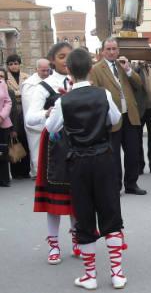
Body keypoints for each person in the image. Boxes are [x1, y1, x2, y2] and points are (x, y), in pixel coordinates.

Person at [46, 48, 127, 290]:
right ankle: (117, 273)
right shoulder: (103, 94)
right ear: (91, 68)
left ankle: (90, 276)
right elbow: (114, 120)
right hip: (103, 158)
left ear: (69, 71)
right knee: (111, 213)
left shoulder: (64, 101)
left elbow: (52, 128)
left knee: (84, 215)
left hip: (78, 162)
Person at [26, 42, 79, 264]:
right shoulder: (44, 86)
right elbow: (30, 118)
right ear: (52, 59)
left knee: (78, 196)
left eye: (69, 56)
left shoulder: (82, 83)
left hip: (79, 141)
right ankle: (54, 245)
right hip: (55, 145)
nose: (65, 60)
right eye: (61, 56)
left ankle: (78, 239)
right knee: (54, 199)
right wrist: (47, 113)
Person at [90, 37, 146, 195]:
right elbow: (94, 93)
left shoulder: (123, 65)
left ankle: (131, 184)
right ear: (102, 51)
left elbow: (139, 84)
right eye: (108, 49)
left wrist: (128, 70)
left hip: (130, 115)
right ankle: (115, 186)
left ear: (118, 50)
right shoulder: (96, 69)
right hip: (112, 118)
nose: (112, 52)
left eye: (114, 49)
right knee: (113, 156)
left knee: (133, 153)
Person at [21, 58, 51, 178]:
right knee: (36, 150)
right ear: (36, 69)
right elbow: (30, 105)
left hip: (49, 121)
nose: (45, 73)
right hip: (36, 124)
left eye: (47, 70)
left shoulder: (50, 80)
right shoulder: (30, 84)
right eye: (43, 70)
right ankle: (37, 173)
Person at [5, 54, 30, 178]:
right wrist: (19, 94)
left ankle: (25, 170)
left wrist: (16, 94)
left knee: (25, 140)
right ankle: (15, 171)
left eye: (15, 63)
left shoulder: (26, 77)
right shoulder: (6, 77)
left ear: (19, 64)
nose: (13, 66)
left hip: (25, 110)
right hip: (13, 112)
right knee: (14, 140)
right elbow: (7, 94)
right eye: (10, 64)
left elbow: (29, 93)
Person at [0, 69, 13, 187]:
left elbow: (8, 102)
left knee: (2, 151)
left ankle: (4, 178)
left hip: (2, 123)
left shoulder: (2, 84)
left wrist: (2, 116)